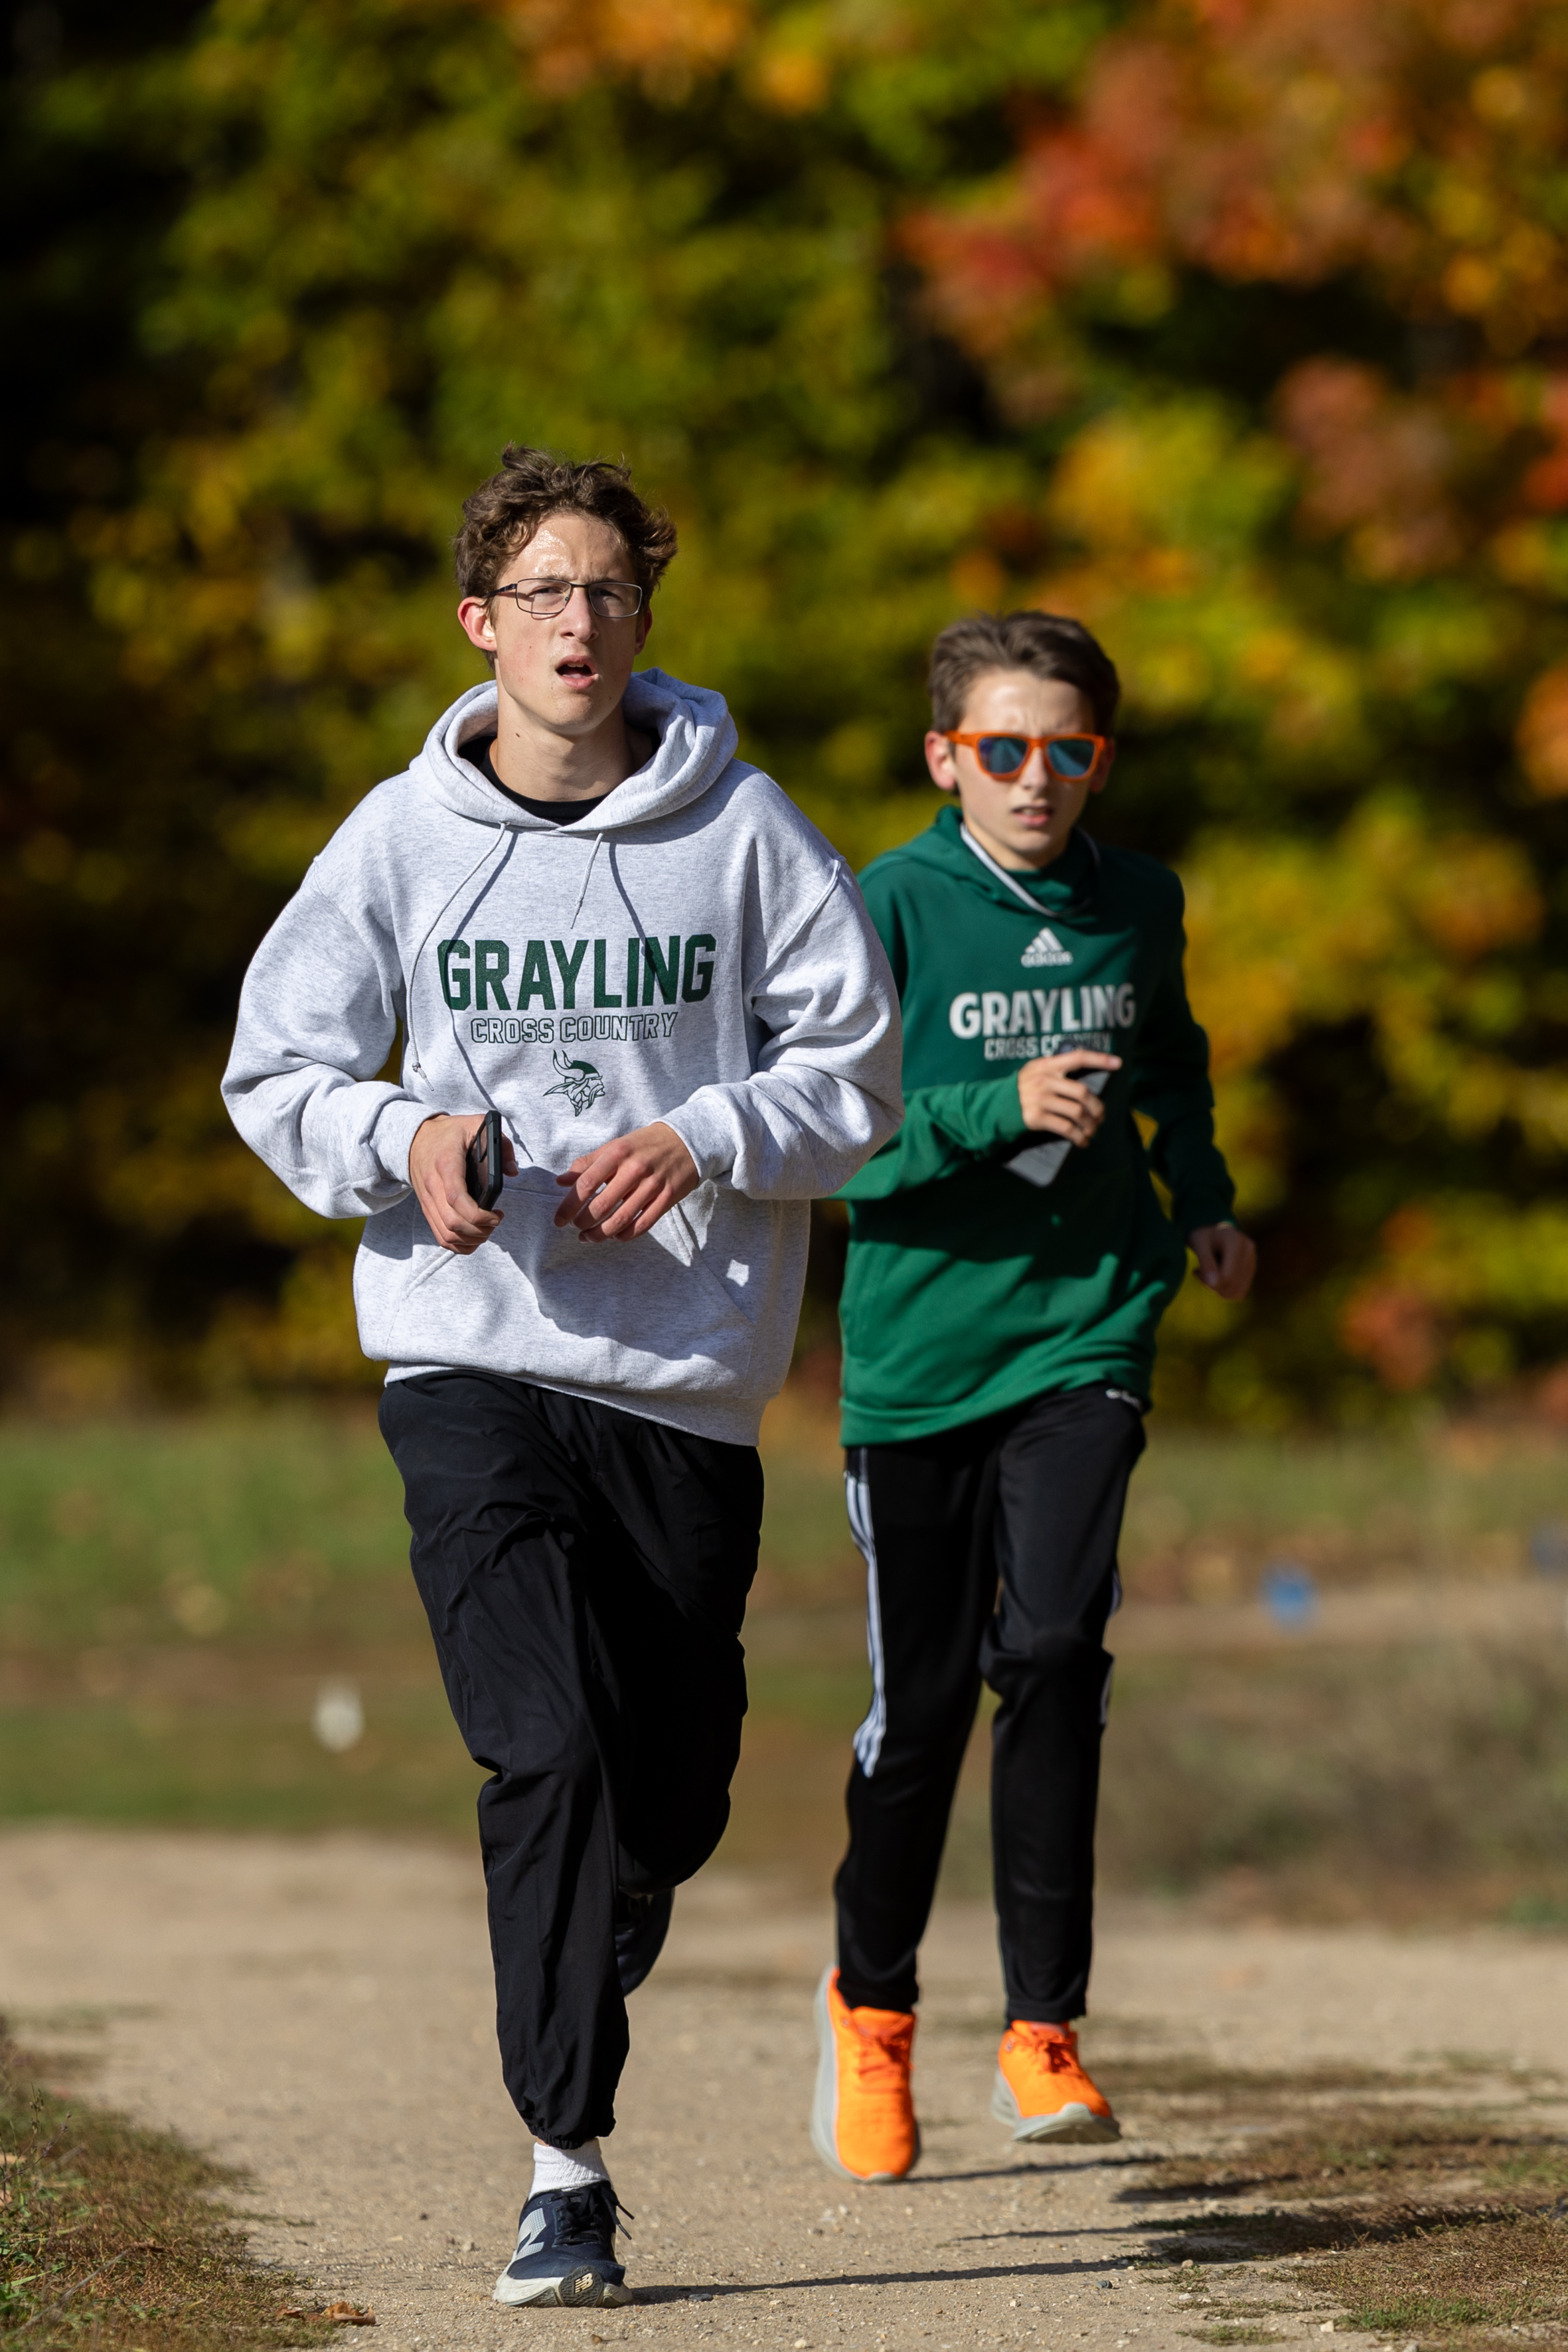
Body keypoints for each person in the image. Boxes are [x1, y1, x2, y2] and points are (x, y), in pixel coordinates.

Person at [222, 445, 902, 2305]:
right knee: (548, 1744)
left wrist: (703, 1134)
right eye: (541, 590)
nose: (576, 621)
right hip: (467, 1359)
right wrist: (405, 1135)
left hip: (678, 1382)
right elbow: (275, 1069)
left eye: (607, 589)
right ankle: (565, 2169)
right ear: (481, 621)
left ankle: (609, 1902)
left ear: (642, 620)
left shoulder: (741, 828)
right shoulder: (400, 838)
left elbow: (856, 1079)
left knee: (664, 1796)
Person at [810, 609, 1255, 2185]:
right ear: (944, 757)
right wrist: (993, 1104)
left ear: (1098, 762)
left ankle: (1041, 2029)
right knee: (923, 1708)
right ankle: (871, 2011)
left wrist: (1200, 1197)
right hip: (920, 1356)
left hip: (1087, 1326)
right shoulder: (886, 903)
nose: (1034, 777)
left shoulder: (1139, 900)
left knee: (1056, 1650)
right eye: (1001, 748)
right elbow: (828, 1135)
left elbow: (1171, 1064)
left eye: (1067, 749)